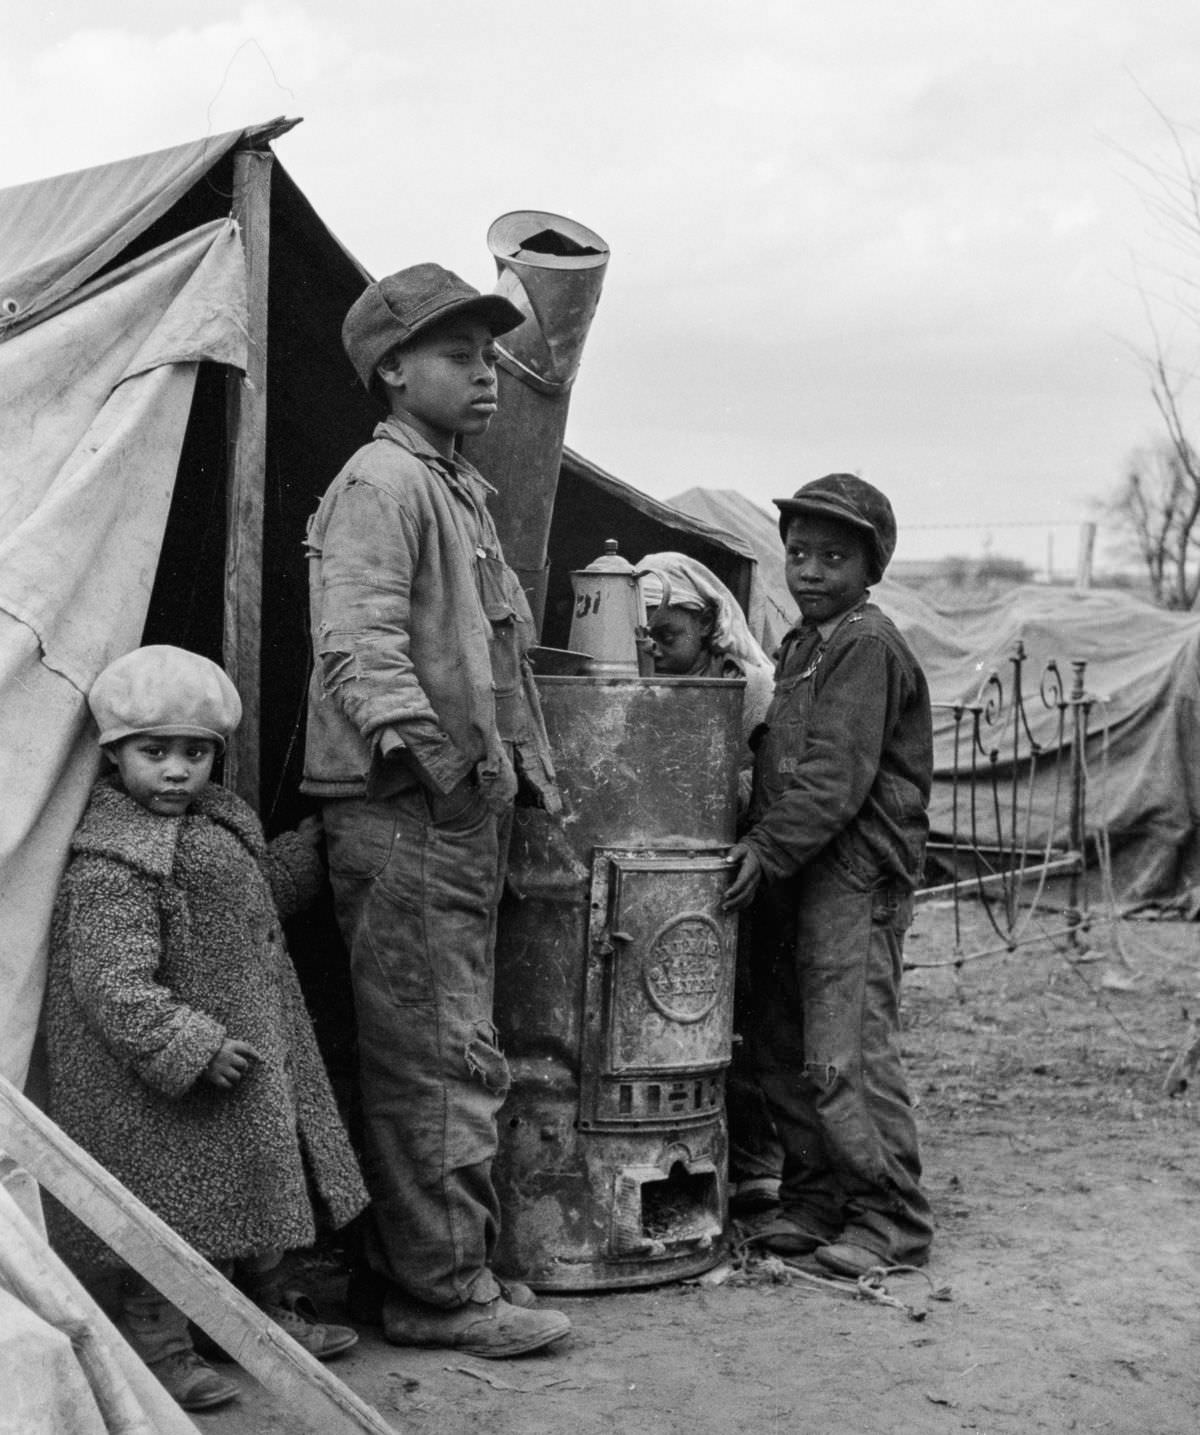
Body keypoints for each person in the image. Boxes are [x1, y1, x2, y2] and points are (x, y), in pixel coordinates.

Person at [301, 263, 571, 1359]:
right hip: (407, 813)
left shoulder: (457, 487)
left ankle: (443, 1268)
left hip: (456, 815)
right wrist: (445, 772)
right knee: (435, 1056)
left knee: (453, 1049)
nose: (486, 374)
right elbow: (357, 645)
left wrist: (523, 779)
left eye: (489, 354)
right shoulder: (383, 479)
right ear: (394, 368)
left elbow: (495, 662)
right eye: (460, 355)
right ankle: (440, 1292)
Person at [43, 645, 368, 1412]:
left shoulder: (216, 824)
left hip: (241, 1059)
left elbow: (261, 894)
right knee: (165, 1222)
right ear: (114, 753)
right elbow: (109, 982)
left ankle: (256, 1318)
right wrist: (187, 1043)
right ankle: (162, 1346)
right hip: (156, 1088)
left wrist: (315, 847)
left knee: (252, 1198)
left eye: (196, 753)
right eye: (154, 752)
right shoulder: (112, 861)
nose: (177, 771)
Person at [723, 474, 934, 1277]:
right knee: (783, 1044)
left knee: (847, 1049)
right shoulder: (802, 646)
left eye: (833, 557)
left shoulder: (866, 646)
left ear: (870, 566)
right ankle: (814, 1200)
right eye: (799, 553)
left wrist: (767, 850)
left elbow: (835, 777)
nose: (809, 570)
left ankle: (892, 1218)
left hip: (851, 872)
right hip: (797, 869)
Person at [636, 552, 783, 1214]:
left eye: (669, 637)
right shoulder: (649, 685)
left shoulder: (750, 690)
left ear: (710, 624)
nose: (657, 653)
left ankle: (756, 1160)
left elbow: (774, 784)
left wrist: (719, 788)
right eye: (648, 639)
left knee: (744, 1014)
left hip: (741, 872)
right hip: (677, 875)